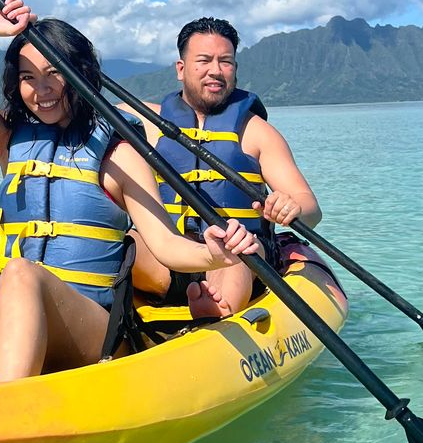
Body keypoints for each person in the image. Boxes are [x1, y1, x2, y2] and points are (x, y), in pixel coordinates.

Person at [0, 0, 263, 390]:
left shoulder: (118, 155)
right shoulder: (9, 142)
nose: (42, 90)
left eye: (54, 74)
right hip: (5, 327)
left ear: (80, 74)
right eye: (28, 78)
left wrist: (215, 254)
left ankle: (9, 410)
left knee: (21, 274)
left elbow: (166, 245)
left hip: (84, 333)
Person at [125, 17, 322, 319]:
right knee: (117, 242)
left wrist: (291, 207)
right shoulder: (146, 122)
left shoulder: (257, 133)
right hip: (167, 257)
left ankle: (215, 312)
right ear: (181, 69)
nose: (215, 70)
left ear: (235, 69)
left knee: (240, 250)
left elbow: (311, 209)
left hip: (237, 254)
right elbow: (80, 107)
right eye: (204, 60)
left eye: (225, 62)